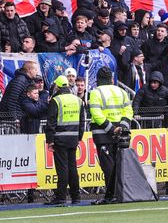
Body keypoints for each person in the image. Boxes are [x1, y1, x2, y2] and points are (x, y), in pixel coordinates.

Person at [89, 66, 132, 205]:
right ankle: (120, 193)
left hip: (103, 134)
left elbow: (96, 113)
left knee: (108, 166)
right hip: (120, 132)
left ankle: (111, 195)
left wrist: (111, 128)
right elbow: (128, 111)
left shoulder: (95, 92)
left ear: (98, 80)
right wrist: (122, 127)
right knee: (119, 165)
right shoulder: (121, 91)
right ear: (111, 79)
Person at [44, 75, 85, 205]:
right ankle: (76, 196)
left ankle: (61, 196)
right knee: (73, 167)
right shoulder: (77, 100)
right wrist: (79, 137)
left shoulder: (56, 100)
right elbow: (82, 121)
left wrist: (50, 140)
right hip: (73, 138)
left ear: (58, 86)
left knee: (62, 169)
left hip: (60, 138)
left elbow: (51, 123)